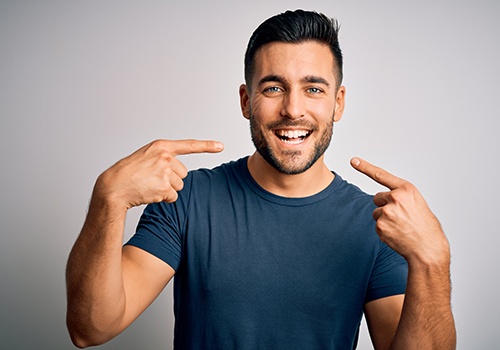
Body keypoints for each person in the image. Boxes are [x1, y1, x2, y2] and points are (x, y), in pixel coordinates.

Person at [66, 9, 456, 349]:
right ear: (245, 101)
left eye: (313, 88)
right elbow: (91, 328)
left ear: (337, 102)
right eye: (273, 87)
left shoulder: (376, 223)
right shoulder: (187, 200)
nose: (293, 109)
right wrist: (108, 199)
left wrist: (433, 260)